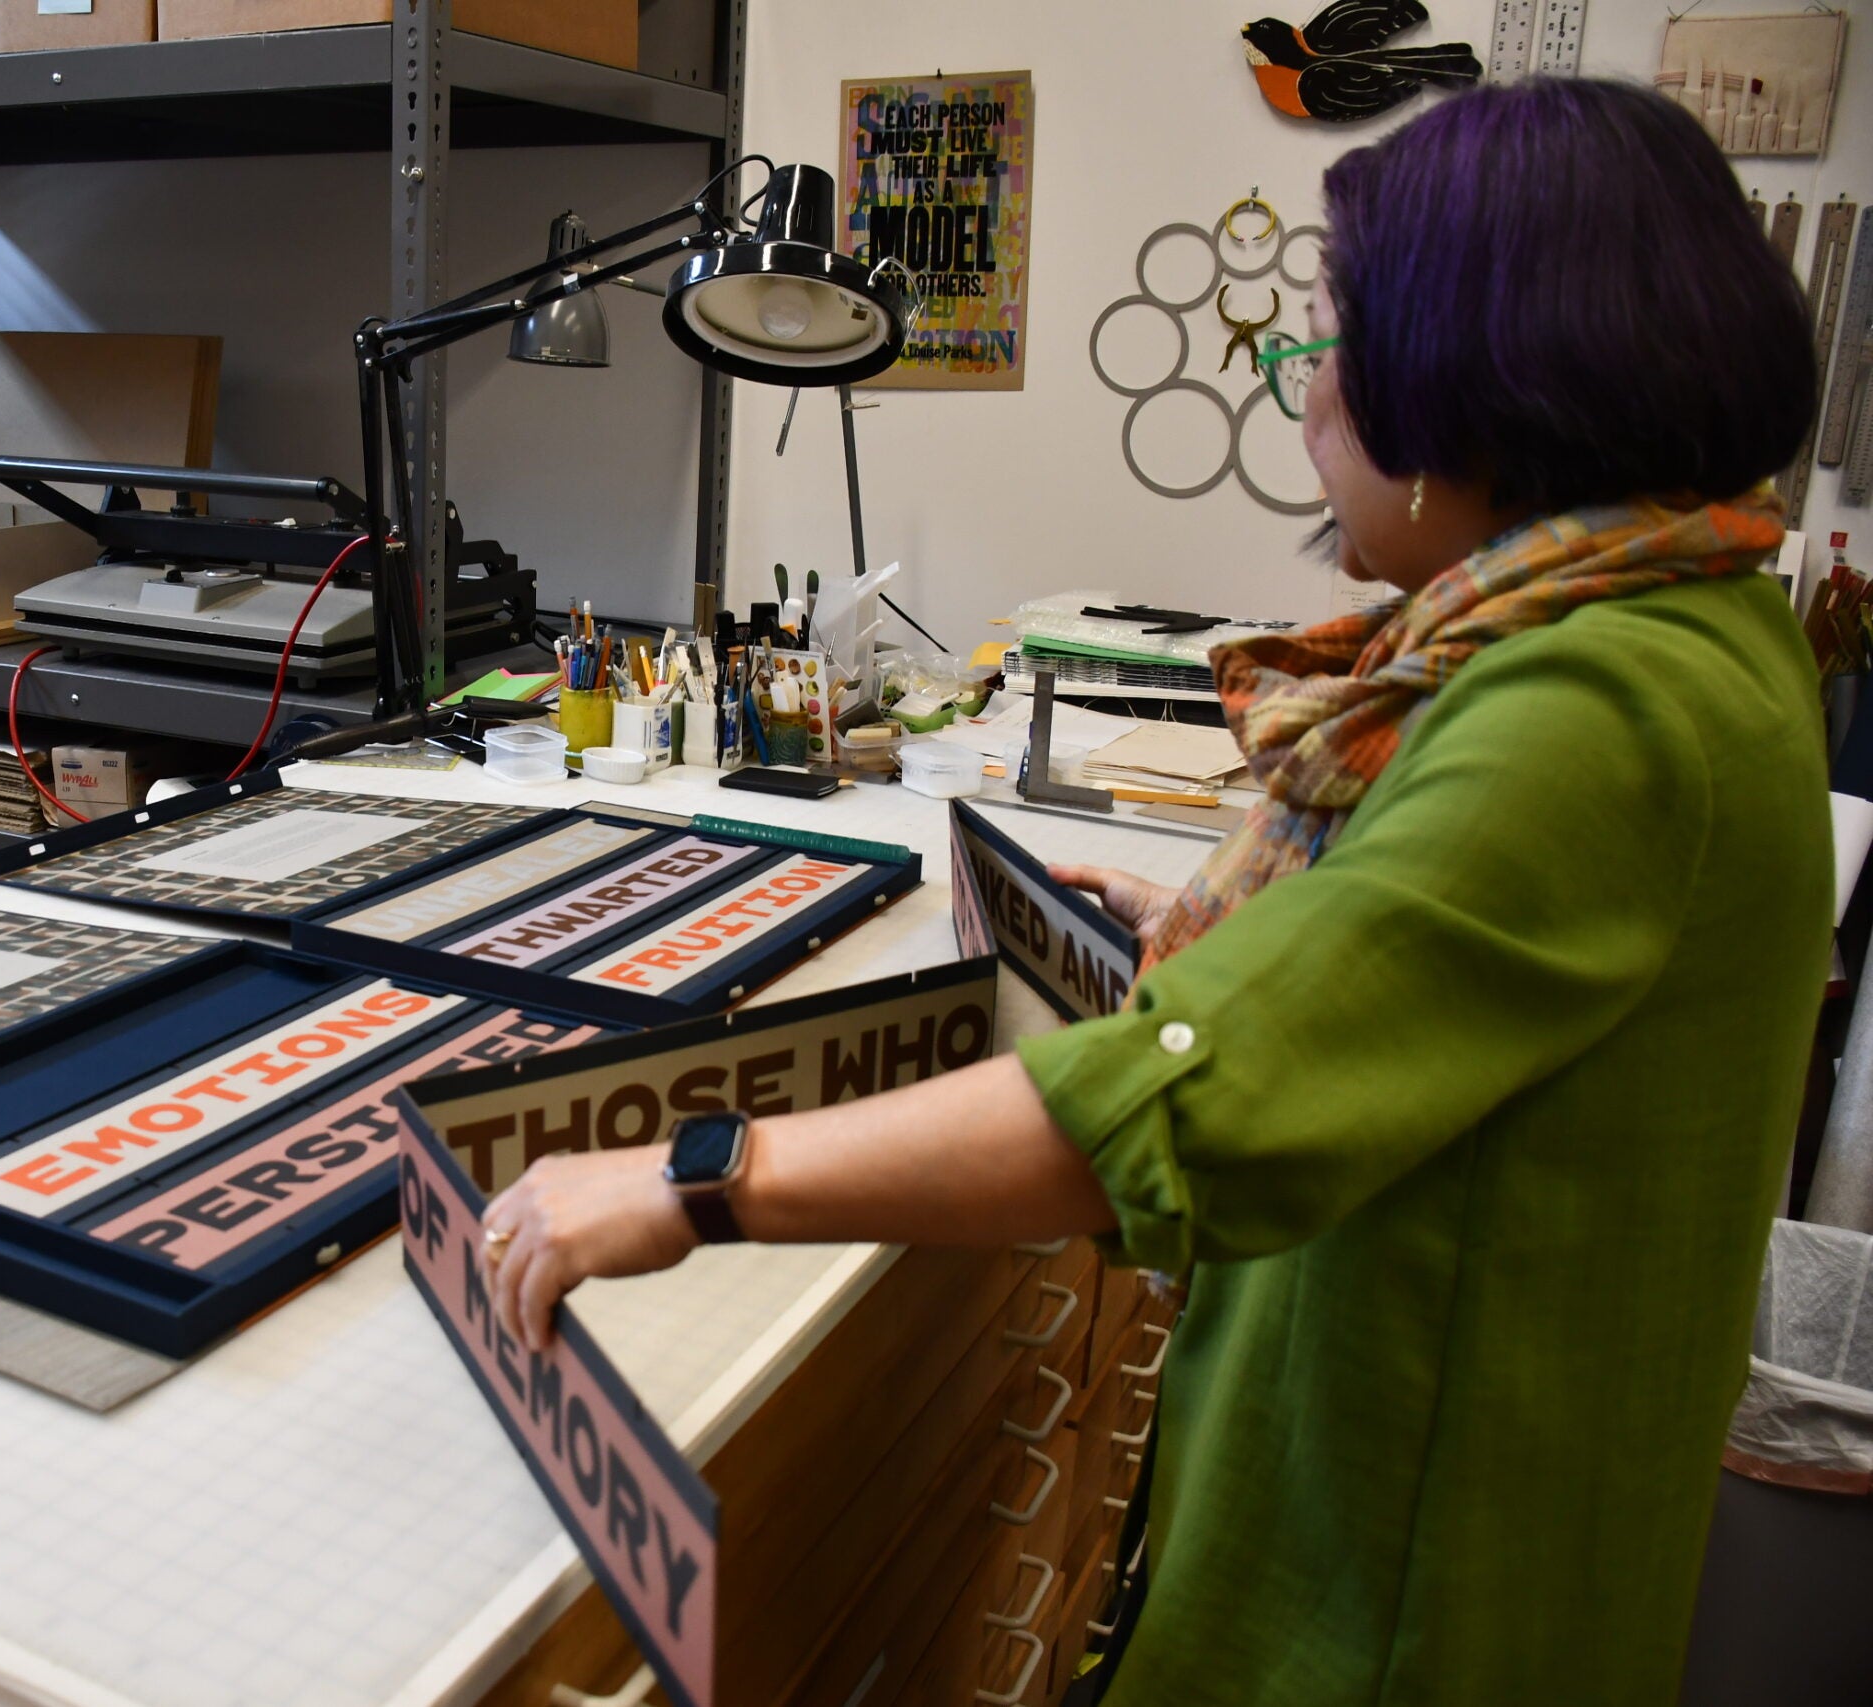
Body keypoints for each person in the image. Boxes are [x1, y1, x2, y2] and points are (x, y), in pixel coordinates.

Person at [475, 79, 1830, 1706]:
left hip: (1402, 1611)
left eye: (1331, 343)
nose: (1310, 401)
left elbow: (1184, 1109)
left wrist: (698, 1180)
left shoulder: (1603, 713)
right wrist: (1282, 938)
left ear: (1484, 369)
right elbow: (1440, 984)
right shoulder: (1699, 630)